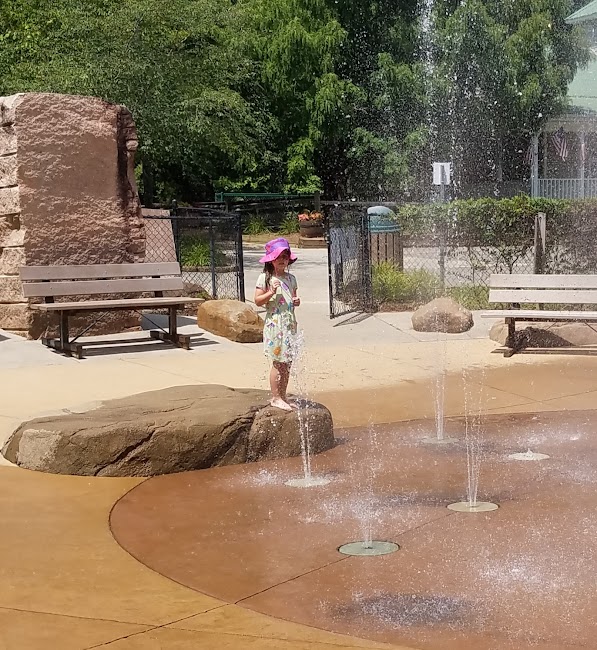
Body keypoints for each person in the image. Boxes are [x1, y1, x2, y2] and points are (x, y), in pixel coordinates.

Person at [254, 237, 301, 411]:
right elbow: (258, 301)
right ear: (271, 260)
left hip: (289, 324)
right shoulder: (265, 279)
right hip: (275, 325)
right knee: (278, 362)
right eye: (278, 257)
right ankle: (275, 397)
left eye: (285, 257)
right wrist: (271, 292)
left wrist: (296, 301)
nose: (282, 260)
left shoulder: (291, 278)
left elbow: (293, 298)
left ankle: (283, 396)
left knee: (287, 362)